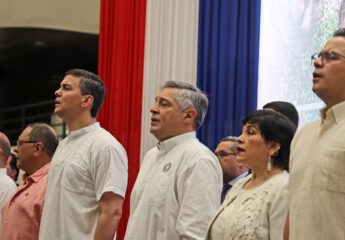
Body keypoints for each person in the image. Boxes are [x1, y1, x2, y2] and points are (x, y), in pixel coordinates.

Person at [286, 28, 345, 240]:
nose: (318, 62)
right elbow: (295, 213)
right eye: (318, 56)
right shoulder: (304, 134)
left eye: (331, 57)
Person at [125, 81, 222, 239]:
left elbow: (196, 233)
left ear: (189, 115)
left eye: (164, 104)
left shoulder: (198, 159)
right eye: (156, 102)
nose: (153, 109)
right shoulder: (151, 155)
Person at [39, 69, 128, 240]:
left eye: (66, 88)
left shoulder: (105, 146)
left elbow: (112, 211)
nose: (57, 92)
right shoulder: (64, 144)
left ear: (86, 101)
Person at [206, 110, 295, 240]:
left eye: (250, 132)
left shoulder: (283, 187)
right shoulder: (240, 184)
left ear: (273, 146)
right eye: (242, 132)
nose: (240, 139)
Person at [0, 123, 58, 240]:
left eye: (20, 144)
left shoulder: (52, 183)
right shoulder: (27, 180)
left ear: (37, 148)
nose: (16, 149)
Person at [215, 136, 248, 203]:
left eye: (222, 154)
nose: (216, 159)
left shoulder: (249, 187)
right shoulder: (215, 186)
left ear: (240, 159)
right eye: (215, 155)